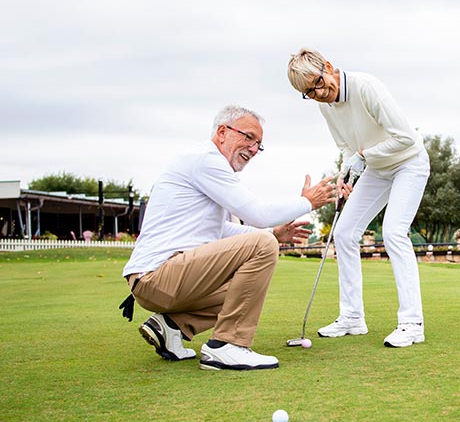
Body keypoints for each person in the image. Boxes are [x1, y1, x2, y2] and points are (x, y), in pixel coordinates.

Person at [120, 105, 336, 370]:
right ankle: (227, 346)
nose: (254, 149)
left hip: (157, 280)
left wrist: (274, 234)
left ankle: (170, 326)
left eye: (259, 144)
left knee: (245, 286)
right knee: (262, 246)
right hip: (158, 276)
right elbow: (256, 213)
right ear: (223, 132)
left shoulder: (205, 165)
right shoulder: (206, 160)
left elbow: (219, 231)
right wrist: (306, 203)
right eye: (249, 137)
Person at [287, 48, 430, 348]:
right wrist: (346, 175)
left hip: (409, 162)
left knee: (393, 232)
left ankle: (412, 323)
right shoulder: (324, 106)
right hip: (377, 169)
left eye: (317, 83)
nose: (318, 93)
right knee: (344, 232)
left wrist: (363, 156)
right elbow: (346, 148)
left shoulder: (366, 87)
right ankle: (352, 317)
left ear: (328, 66)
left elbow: (406, 137)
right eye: (308, 93)